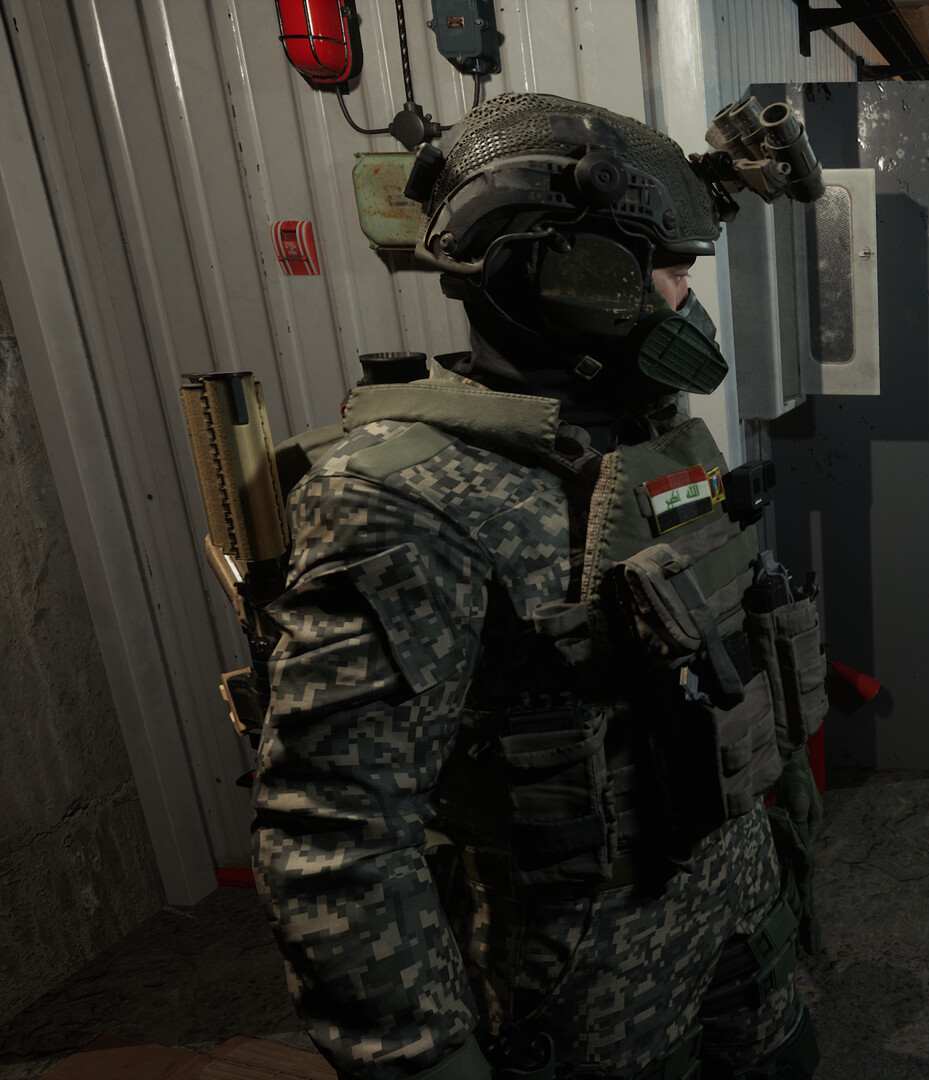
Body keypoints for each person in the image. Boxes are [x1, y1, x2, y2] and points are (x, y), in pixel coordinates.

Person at [251, 93, 826, 1080]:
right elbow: (338, 835)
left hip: (739, 916)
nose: (685, 302)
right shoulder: (403, 497)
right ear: (575, 275)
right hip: (588, 983)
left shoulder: (652, 437)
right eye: (670, 272)